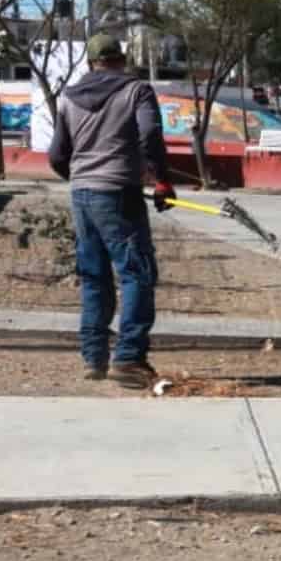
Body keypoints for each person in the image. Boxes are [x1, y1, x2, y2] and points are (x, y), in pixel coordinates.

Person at [47, 33, 175, 388]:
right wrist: (161, 179)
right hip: (119, 192)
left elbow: (58, 155)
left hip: (82, 193)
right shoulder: (137, 90)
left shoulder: (68, 98)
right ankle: (129, 357)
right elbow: (150, 134)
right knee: (136, 273)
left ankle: (94, 357)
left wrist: (81, 177)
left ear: (90, 63)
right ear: (121, 59)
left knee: (93, 275)